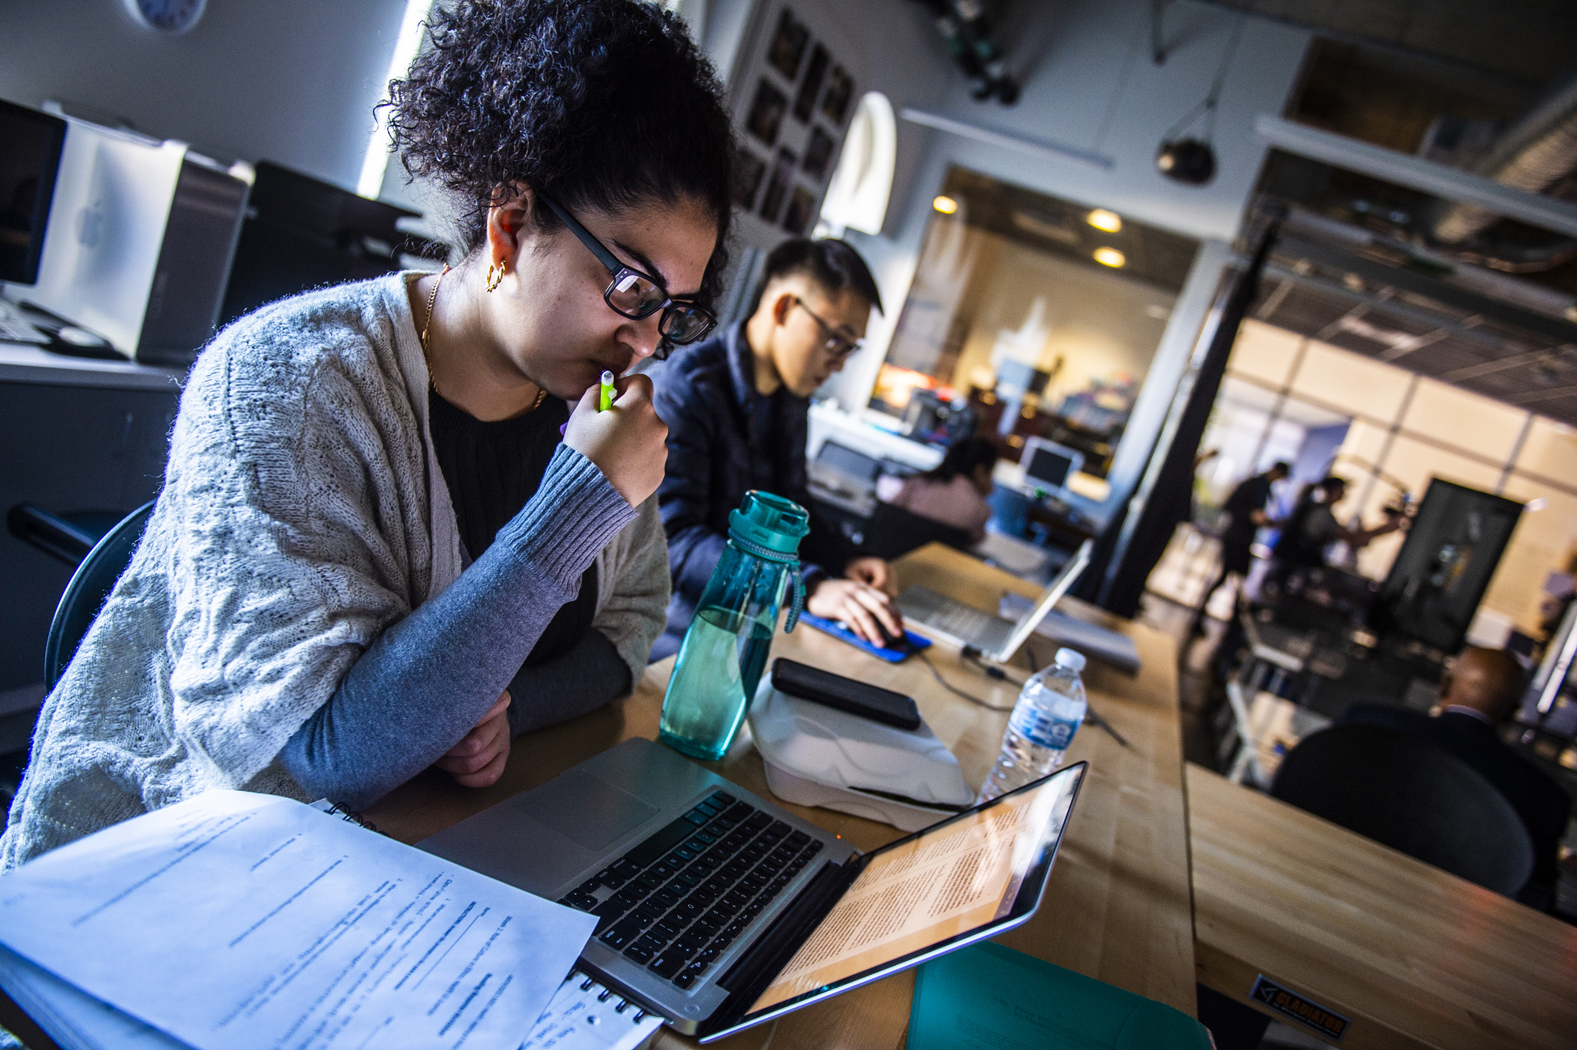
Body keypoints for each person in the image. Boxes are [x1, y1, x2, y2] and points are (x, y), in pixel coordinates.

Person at [1, 0, 736, 868]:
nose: (647, 341)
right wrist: (572, 512)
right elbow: (327, 752)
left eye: (674, 313)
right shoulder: (290, 381)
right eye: (631, 288)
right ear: (509, 224)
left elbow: (629, 626)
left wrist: (492, 708)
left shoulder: (587, 404)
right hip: (169, 865)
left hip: (413, 854)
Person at [652, 238, 902, 658]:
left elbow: (794, 505)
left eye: (851, 349)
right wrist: (806, 586)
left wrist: (846, 560)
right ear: (785, 308)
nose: (839, 363)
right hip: (679, 640)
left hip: (755, 632)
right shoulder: (684, 391)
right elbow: (671, 543)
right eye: (836, 340)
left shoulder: (790, 397)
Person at [1338, 646, 1571, 907]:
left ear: (1444, 685)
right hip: (1446, 928)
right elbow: (1535, 901)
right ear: (1512, 713)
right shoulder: (1545, 799)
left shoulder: (1364, 722)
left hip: (1335, 885)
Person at [1192, 461, 1289, 632]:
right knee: (1229, 578)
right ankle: (1210, 618)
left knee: (1236, 581)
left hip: (1244, 540)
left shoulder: (1265, 489)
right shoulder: (1253, 484)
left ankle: (1229, 623)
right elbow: (1230, 505)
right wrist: (1251, 516)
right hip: (1236, 539)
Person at [1271, 475, 1404, 582]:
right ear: (1333, 491)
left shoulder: (1319, 510)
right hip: (1294, 568)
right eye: (1342, 490)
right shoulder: (1322, 514)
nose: (1344, 494)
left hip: (1293, 566)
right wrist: (1385, 528)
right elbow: (1352, 538)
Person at [876, 437, 998, 543]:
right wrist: (984, 495)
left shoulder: (918, 483)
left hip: (888, 559)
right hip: (933, 567)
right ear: (980, 471)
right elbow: (974, 540)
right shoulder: (980, 509)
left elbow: (889, 513)